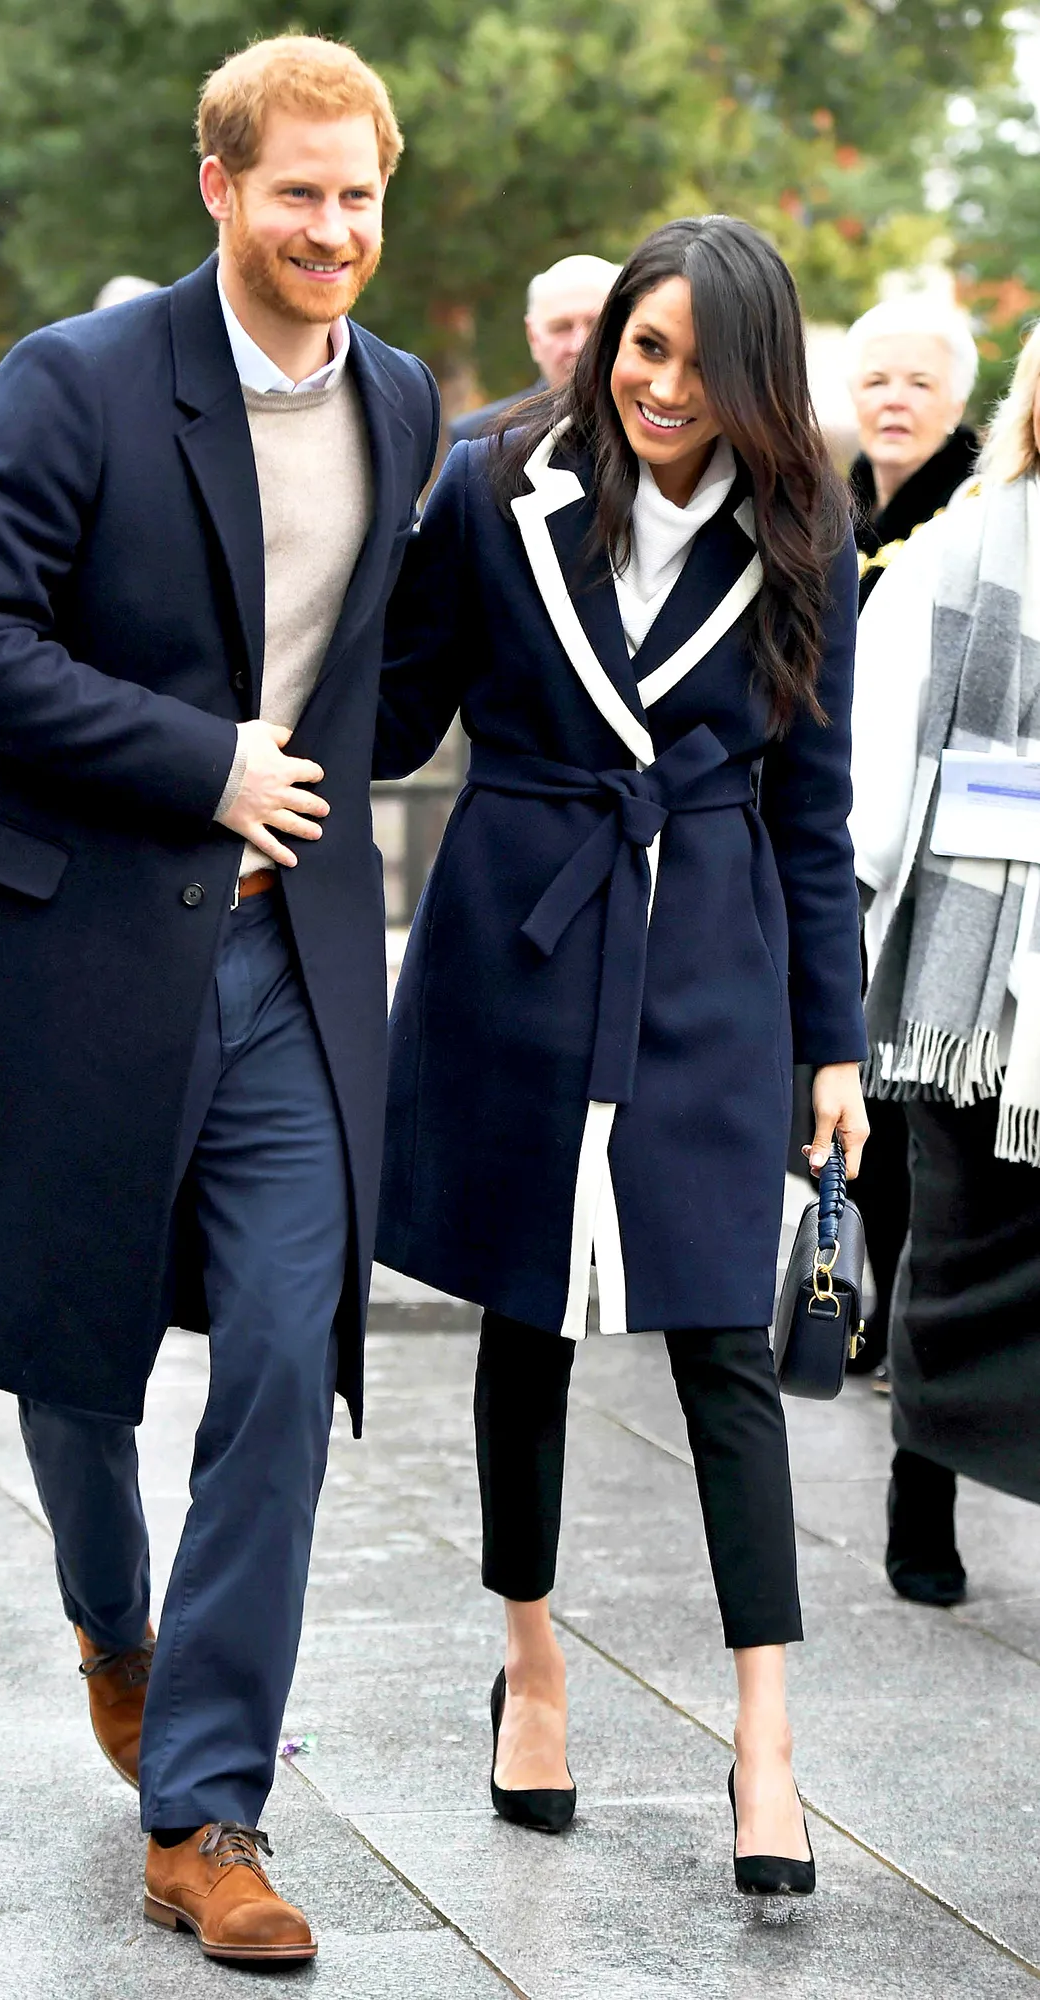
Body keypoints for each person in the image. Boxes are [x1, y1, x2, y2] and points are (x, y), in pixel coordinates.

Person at [0, 35, 438, 1966]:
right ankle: (115, 1627)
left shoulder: (403, 401)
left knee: (278, 1360)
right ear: (218, 186)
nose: (329, 228)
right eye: (296, 192)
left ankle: (206, 1813)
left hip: (289, 966)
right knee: (72, 1356)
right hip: (79, 944)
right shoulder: (75, 379)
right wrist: (202, 761)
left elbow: (379, 679)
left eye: (356, 196)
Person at [376, 215, 868, 1893]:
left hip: (710, 954)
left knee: (724, 1337)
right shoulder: (486, 483)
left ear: (753, 379)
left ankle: (766, 1742)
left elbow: (813, 809)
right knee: (526, 1320)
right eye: (640, 348)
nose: (660, 386)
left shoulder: (806, 520)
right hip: (519, 939)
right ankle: (527, 1669)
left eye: (698, 364)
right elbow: (394, 711)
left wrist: (831, 1045)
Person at [850, 321, 1040, 1608]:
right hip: (965, 983)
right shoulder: (953, 554)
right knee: (954, 1239)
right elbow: (874, 781)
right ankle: (923, 1485)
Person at [838, 297, 982, 1375]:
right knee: (851, 1088)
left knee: (917, 1096)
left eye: (919, 383)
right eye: (877, 380)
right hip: (835, 838)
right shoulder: (834, 513)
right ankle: (863, 1299)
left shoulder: (981, 516)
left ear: (960, 400)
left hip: (944, 849)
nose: (895, 400)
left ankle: (922, 1321)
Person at [449, 253, 620, 444]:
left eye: (597, 326)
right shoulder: (483, 438)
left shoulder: (646, 423)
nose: (579, 345)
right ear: (533, 337)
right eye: (561, 328)